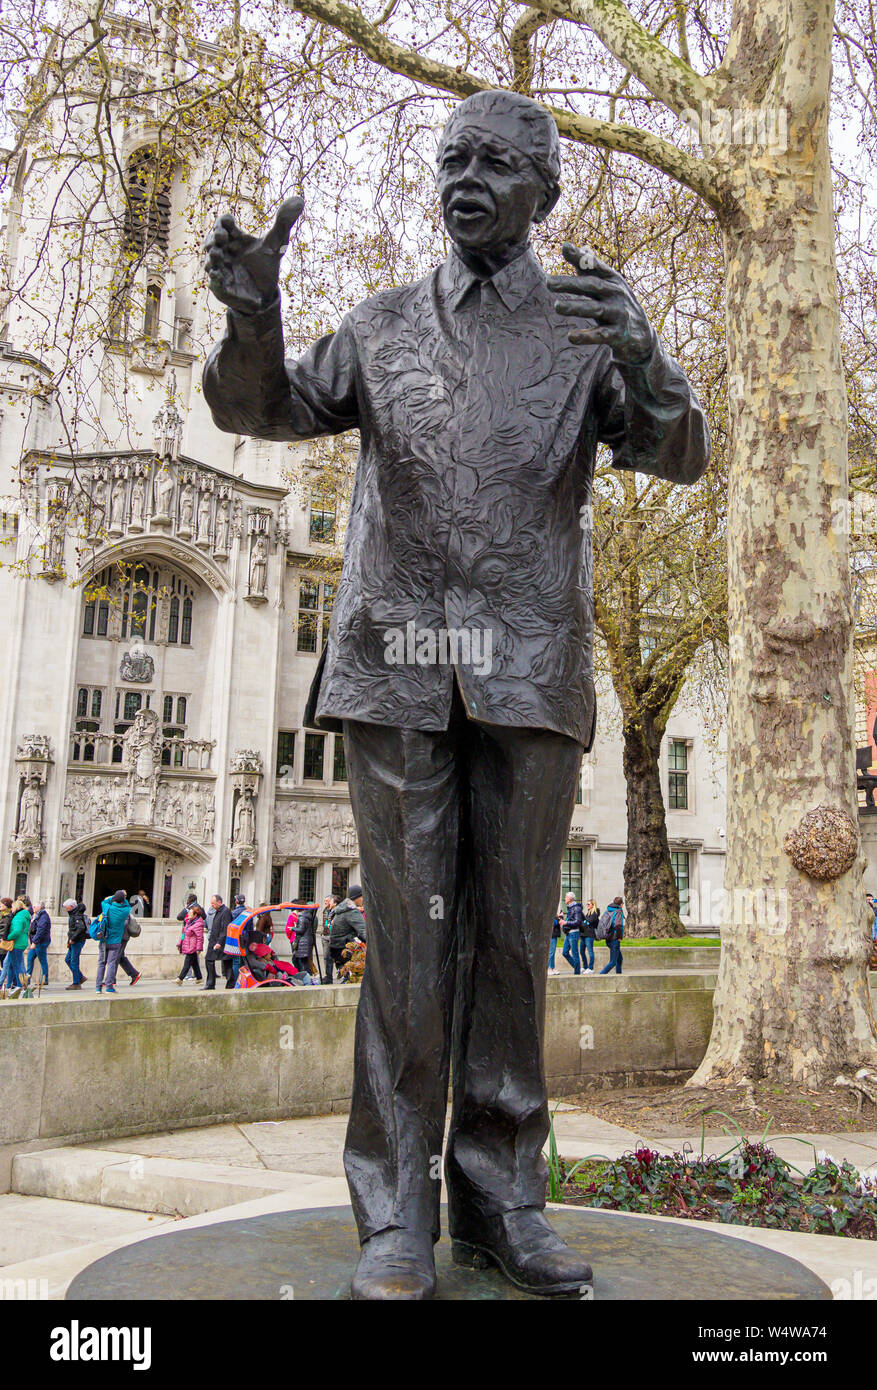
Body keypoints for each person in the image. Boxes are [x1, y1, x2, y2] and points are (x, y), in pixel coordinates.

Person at [203, 87, 708, 1300]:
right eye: (449, 160)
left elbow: (679, 449)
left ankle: (501, 1199)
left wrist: (646, 353)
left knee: (512, 954)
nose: (463, 180)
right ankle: (391, 1214)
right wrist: (253, 313)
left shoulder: (590, 330)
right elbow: (259, 408)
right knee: (409, 954)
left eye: (491, 162)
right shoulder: (379, 324)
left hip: (528, 675)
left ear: (543, 189)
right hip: (396, 672)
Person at [94, 889, 132, 994]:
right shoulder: (125, 911)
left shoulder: (108, 908)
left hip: (104, 939)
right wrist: (123, 897)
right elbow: (128, 905)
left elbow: (104, 901)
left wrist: (114, 897)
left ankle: (98, 987)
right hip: (116, 941)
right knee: (111, 963)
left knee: (101, 963)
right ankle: (109, 987)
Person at [329, 886, 366, 983]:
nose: (363, 899)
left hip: (335, 949)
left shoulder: (342, 909)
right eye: (362, 896)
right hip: (345, 949)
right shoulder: (352, 911)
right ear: (357, 897)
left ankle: (345, 975)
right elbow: (363, 932)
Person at [0, 896, 28, 994]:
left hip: (17, 943)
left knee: (17, 966)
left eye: (12, 907)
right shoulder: (24, 915)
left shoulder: (18, 917)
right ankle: (7, 986)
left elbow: (16, 931)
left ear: (16, 907)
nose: (11, 909)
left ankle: (21, 986)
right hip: (20, 943)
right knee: (9, 964)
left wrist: (7, 938)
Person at [204, 893, 232, 990]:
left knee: (227, 962)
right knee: (209, 959)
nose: (212, 905)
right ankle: (210, 983)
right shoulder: (218, 911)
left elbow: (225, 928)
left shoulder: (225, 911)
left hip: (220, 942)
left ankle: (230, 984)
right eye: (211, 903)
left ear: (219, 902)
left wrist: (219, 942)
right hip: (214, 940)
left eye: (213, 903)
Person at [63, 897, 89, 989]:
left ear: (71, 907)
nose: (65, 908)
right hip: (74, 940)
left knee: (74, 961)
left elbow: (80, 928)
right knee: (68, 959)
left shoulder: (76, 915)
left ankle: (76, 983)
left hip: (77, 941)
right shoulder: (73, 915)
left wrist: (73, 938)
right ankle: (80, 977)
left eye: (66, 907)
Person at [177, 902, 205, 983]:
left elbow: (200, 938)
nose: (188, 914)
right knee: (194, 963)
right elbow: (184, 934)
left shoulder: (198, 924)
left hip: (192, 947)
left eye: (190, 913)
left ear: (195, 915)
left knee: (187, 963)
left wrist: (199, 948)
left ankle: (180, 979)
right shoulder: (188, 922)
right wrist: (179, 943)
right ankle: (199, 978)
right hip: (187, 945)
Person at [26, 900, 51, 985]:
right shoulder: (36, 915)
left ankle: (45, 979)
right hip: (36, 941)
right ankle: (27, 979)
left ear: (40, 907)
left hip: (41, 942)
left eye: (34, 907)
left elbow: (41, 930)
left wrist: (34, 942)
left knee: (42, 960)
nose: (32, 908)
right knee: (29, 959)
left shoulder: (43, 916)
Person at [291, 904, 318, 984]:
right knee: (304, 960)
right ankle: (307, 976)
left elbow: (301, 930)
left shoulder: (303, 917)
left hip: (303, 942)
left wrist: (292, 928)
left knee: (303, 961)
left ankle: (306, 978)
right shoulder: (310, 917)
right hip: (307, 941)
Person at [598, 896, 625, 975]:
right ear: (621, 904)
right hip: (614, 938)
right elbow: (618, 925)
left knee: (619, 959)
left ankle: (618, 975)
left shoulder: (608, 910)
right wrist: (619, 937)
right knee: (613, 962)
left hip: (608, 937)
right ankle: (600, 976)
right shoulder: (618, 911)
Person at [561, 891, 584, 975]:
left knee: (575, 953)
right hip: (568, 933)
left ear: (570, 899)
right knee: (565, 952)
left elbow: (578, 922)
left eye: (566, 897)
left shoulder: (576, 908)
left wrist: (566, 923)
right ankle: (577, 968)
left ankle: (577, 973)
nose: (565, 899)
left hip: (574, 933)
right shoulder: (570, 908)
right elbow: (571, 919)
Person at [320, 895, 339, 983]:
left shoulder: (337, 911)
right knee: (326, 957)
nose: (326, 902)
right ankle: (328, 976)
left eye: (328, 901)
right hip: (325, 934)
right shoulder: (325, 911)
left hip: (333, 936)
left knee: (335, 958)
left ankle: (343, 974)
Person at [581, 900, 600, 974]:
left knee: (590, 952)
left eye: (588, 904)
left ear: (593, 905)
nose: (587, 905)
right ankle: (585, 966)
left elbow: (587, 922)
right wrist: (583, 922)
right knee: (582, 951)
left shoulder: (594, 914)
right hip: (583, 934)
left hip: (589, 935)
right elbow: (584, 922)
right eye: (587, 904)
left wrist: (583, 922)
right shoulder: (588, 913)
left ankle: (590, 968)